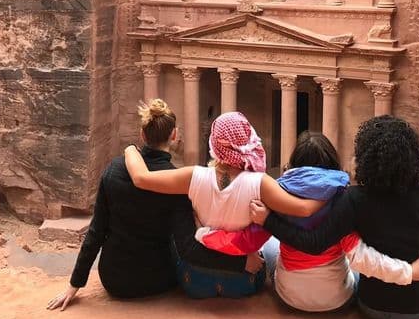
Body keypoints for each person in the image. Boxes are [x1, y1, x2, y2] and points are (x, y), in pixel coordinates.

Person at [47, 99, 259, 311]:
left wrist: (74, 284)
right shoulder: (176, 182)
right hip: (158, 278)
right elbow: (188, 249)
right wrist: (240, 264)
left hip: (113, 279)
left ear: (142, 134)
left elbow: (96, 231)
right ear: (174, 136)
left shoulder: (114, 169)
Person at [251, 115, 419, 319]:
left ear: (365, 157)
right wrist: (416, 272)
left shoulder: (355, 199)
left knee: (278, 249)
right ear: (414, 158)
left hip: (371, 306)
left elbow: (316, 242)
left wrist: (269, 221)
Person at [194, 131, 419, 312]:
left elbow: (246, 240)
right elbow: (361, 257)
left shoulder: (279, 194)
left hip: (289, 297)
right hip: (336, 300)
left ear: (294, 163)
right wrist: (408, 272)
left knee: (270, 246)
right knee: (353, 269)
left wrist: (206, 234)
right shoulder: (342, 200)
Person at [123, 111, 325, 299]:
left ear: (214, 145)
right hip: (245, 281)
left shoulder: (193, 176)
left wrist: (130, 149)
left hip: (194, 280)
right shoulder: (260, 183)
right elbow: (304, 209)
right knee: (271, 245)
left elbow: (141, 178)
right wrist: (336, 185)